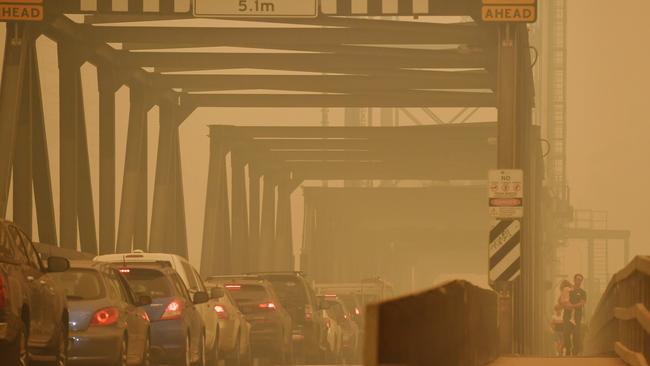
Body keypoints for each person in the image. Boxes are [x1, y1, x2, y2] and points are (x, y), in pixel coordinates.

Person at [569, 273, 587, 355]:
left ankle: (575, 350)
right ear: (574, 280)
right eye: (577, 279)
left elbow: (582, 303)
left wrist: (572, 306)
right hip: (568, 314)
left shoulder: (583, 292)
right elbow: (565, 300)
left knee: (576, 332)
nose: (579, 280)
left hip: (578, 315)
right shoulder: (570, 290)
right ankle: (568, 349)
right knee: (567, 332)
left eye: (580, 279)